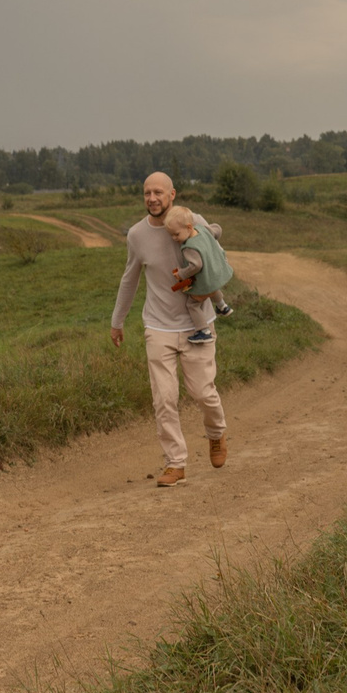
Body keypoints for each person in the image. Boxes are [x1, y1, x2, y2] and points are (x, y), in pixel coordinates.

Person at [109, 172, 229, 487]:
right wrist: (117, 321)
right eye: (147, 193)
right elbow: (129, 278)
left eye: (158, 192)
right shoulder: (136, 235)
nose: (152, 198)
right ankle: (175, 464)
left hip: (197, 323)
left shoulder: (193, 220)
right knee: (163, 398)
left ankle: (216, 434)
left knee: (203, 392)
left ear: (172, 194)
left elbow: (216, 259)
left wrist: (210, 291)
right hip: (158, 325)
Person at [161, 204, 236, 341]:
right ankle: (223, 306)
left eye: (176, 234)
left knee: (192, 304)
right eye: (171, 235)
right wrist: (215, 235)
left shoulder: (189, 247)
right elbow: (217, 230)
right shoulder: (202, 229)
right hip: (216, 277)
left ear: (189, 227)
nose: (174, 238)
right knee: (213, 289)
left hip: (205, 282)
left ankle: (203, 331)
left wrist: (182, 274)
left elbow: (196, 266)